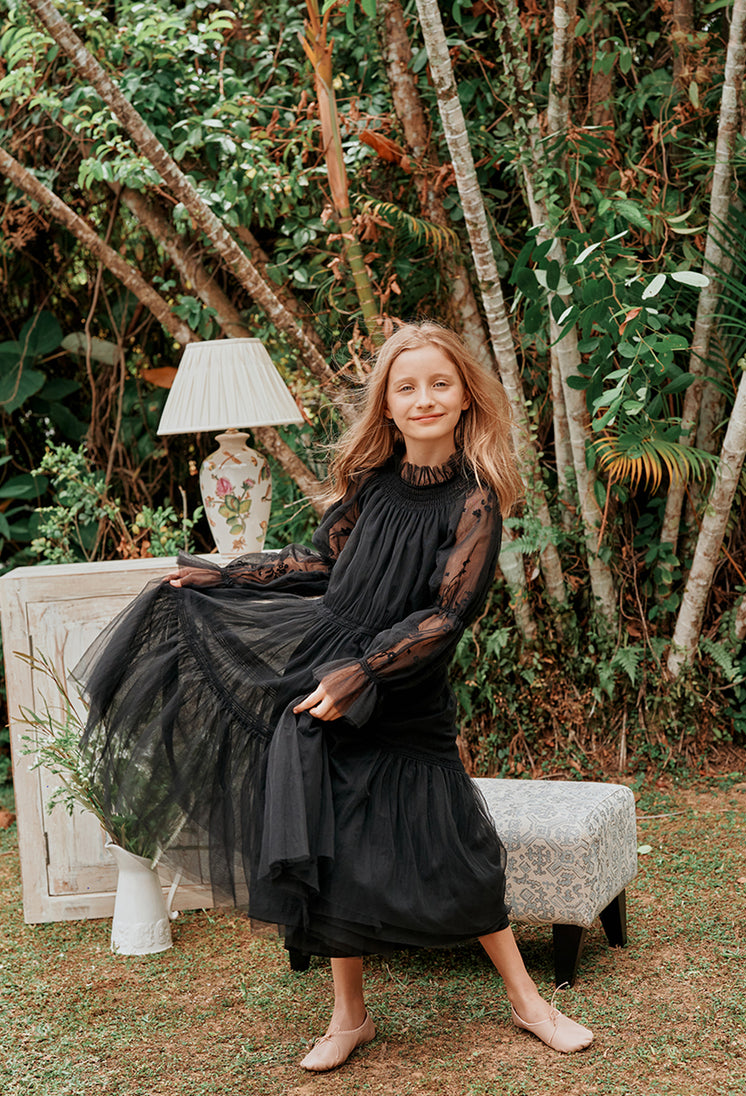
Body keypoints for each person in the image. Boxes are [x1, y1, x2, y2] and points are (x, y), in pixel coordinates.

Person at [77, 321, 593, 1072]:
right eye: (406, 387)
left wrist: (367, 674)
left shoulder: (475, 502)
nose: (424, 398)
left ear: (466, 398)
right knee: (334, 836)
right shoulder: (373, 486)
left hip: (400, 683)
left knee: (460, 842)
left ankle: (528, 1001)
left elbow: (445, 615)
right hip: (322, 663)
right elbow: (320, 564)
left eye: (440, 384)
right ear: (386, 404)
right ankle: (349, 1016)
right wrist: (227, 575)